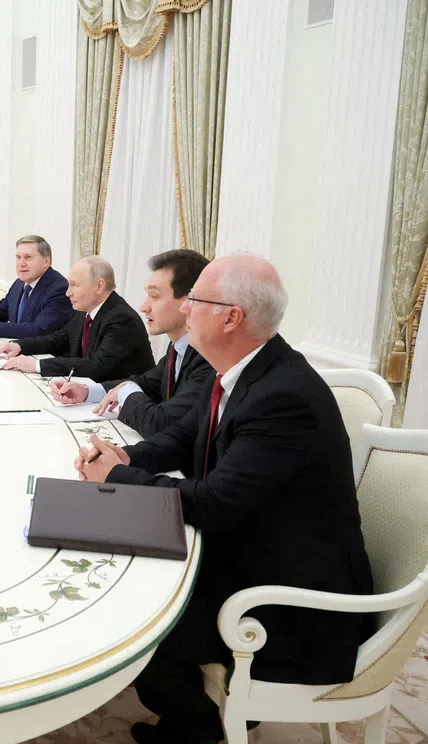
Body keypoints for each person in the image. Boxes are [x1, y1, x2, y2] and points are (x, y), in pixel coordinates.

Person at [74, 254, 373, 744]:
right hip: (255, 548)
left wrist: (123, 479)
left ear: (231, 317)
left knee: (142, 622)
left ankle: (202, 726)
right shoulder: (240, 371)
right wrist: (121, 458)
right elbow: (178, 440)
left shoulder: (284, 396)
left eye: (196, 302)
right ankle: (187, 720)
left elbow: (214, 503)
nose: (186, 311)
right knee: (132, 574)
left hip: (294, 600)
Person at [51, 249, 214, 438]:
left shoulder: (209, 357)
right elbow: (147, 383)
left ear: (189, 301)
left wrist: (126, 391)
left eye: (154, 296)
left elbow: (162, 424)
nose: (143, 307)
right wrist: (87, 392)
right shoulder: (178, 346)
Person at [0, 256, 153, 381]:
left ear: (99, 286)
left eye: (75, 285)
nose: (68, 292)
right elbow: (60, 339)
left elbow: (95, 365)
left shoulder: (122, 319)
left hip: (121, 405)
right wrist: (20, 346)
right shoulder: (84, 308)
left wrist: (36, 365)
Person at [0, 235, 72, 338]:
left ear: (46, 261)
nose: (21, 263)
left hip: (44, 357)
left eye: (28, 257)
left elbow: (39, 329)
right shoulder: (19, 283)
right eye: (18, 257)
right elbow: (0, 312)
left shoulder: (59, 288)